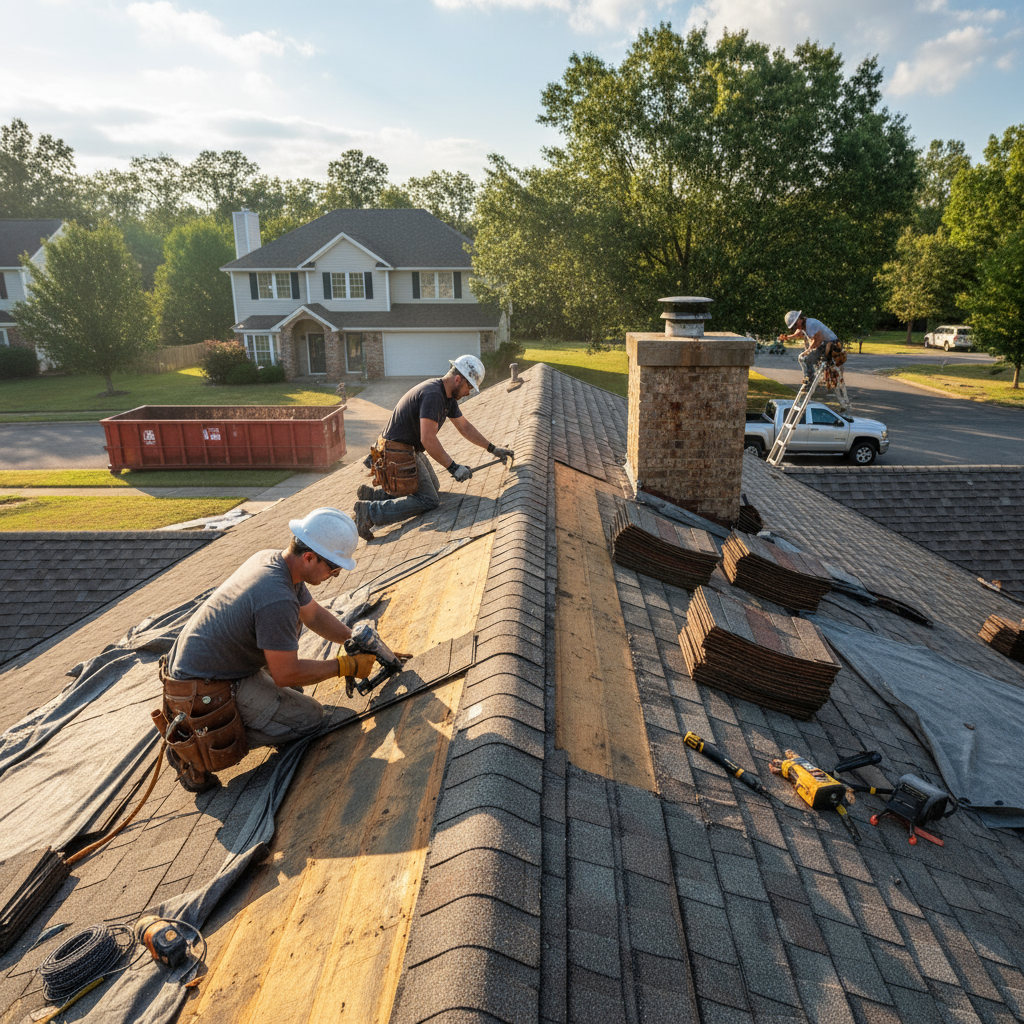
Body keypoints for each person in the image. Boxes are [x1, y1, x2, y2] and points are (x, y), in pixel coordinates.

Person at [157, 507, 384, 793]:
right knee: (310, 717)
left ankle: (233, 722)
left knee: (296, 692)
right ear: (309, 557)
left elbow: (313, 615)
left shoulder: (277, 562)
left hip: (208, 670)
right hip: (205, 691)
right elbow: (286, 673)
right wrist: (346, 666)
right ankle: (195, 748)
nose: (335, 575)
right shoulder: (276, 598)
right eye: (333, 568)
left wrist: (356, 641)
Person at [353, 355, 513, 541]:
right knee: (429, 500)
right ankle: (370, 513)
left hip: (402, 449)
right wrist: (453, 467)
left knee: (434, 487)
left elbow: (464, 427)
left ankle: (375, 496)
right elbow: (428, 439)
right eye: (468, 387)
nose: (468, 392)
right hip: (393, 451)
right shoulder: (433, 395)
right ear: (458, 379)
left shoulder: (447, 397)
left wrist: (493, 449)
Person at [779, 310, 838, 385]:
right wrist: (788, 337)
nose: (796, 327)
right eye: (794, 327)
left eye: (795, 325)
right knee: (806, 358)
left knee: (806, 358)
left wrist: (809, 350)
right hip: (826, 344)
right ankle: (813, 378)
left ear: (799, 319)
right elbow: (799, 333)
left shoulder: (810, 324)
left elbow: (818, 340)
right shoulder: (805, 324)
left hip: (832, 345)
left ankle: (809, 380)